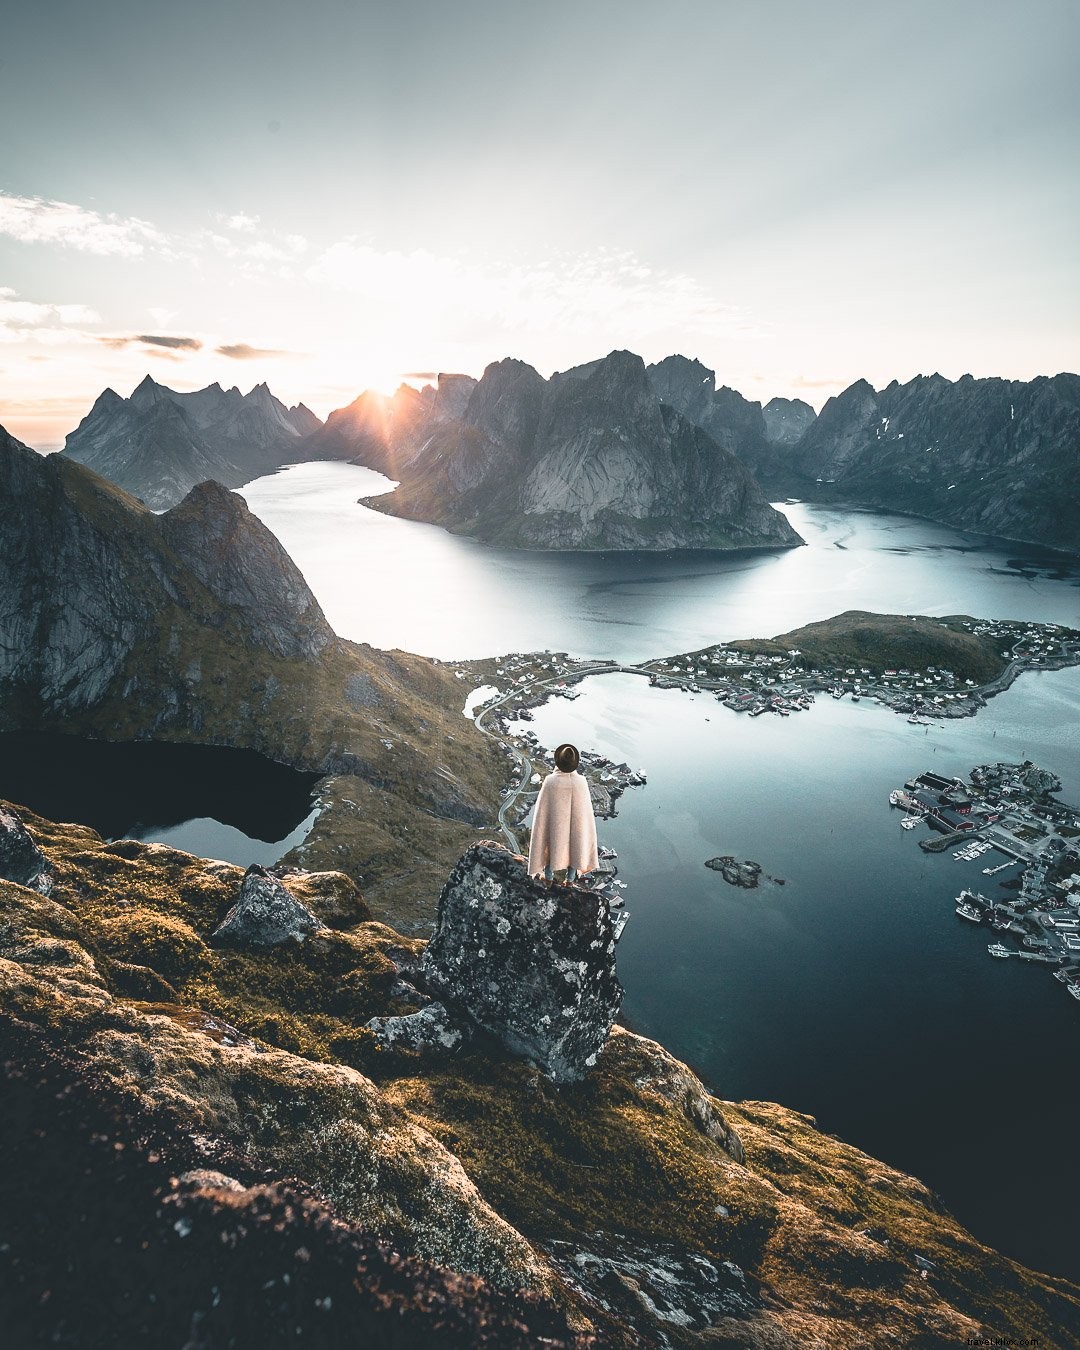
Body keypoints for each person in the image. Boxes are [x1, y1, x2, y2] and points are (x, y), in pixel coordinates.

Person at [527, 742, 598, 885]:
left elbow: (542, 814)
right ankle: (570, 880)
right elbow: (585, 814)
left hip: (556, 827)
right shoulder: (581, 782)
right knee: (575, 844)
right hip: (576, 828)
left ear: (558, 761)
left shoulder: (550, 781)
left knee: (548, 838)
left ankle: (548, 878)